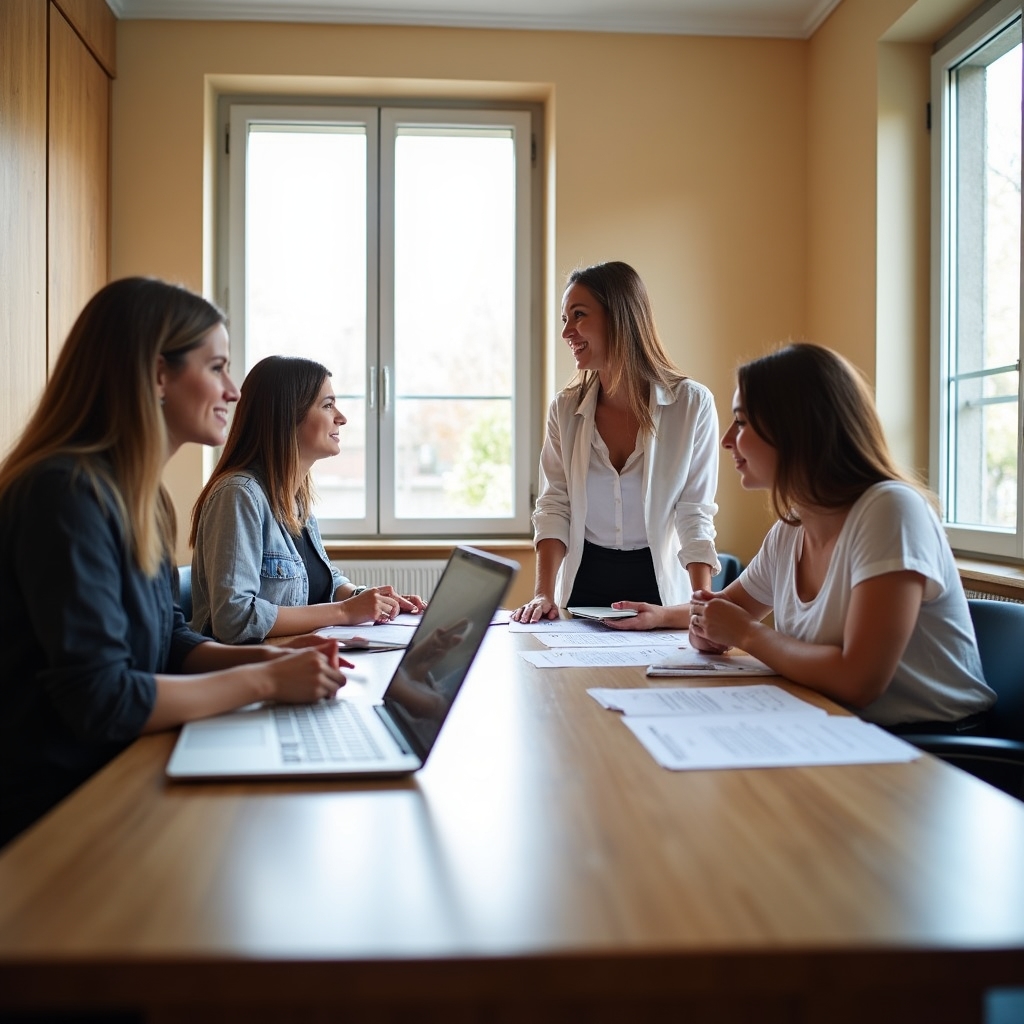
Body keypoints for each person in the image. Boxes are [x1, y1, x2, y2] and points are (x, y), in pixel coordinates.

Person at [0, 278, 349, 848]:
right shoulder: (63, 495)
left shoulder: (141, 499)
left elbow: (169, 639)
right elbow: (101, 698)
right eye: (217, 368)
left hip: (115, 770)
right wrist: (263, 678)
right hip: (56, 811)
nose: (233, 391)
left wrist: (272, 657)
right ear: (159, 376)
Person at [610, 342, 995, 731]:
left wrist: (744, 633)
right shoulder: (791, 529)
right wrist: (694, 623)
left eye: (741, 422)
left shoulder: (890, 511)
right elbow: (725, 610)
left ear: (796, 429)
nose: (727, 439)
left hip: (929, 745)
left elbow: (858, 681)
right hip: (836, 727)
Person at [512, 261, 720, 623]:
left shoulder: (691, 404)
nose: (566, 332)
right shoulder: (565, 409)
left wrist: (701, 606)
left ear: (620, 317)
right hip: (582, 587)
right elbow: (554, 505)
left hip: (658, 591)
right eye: (564, 319)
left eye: (578, 315)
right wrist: (543, 594)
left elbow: (694, 512)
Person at [189, 355, 426, 645]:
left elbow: (319, 580)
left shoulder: (295, 497)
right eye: (327, 405)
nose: (341, 417)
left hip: (293, 659)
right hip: (248, 669)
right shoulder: (239, 494)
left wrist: (369, 599)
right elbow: (235, 619)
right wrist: (344, 611)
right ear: (288, 415)